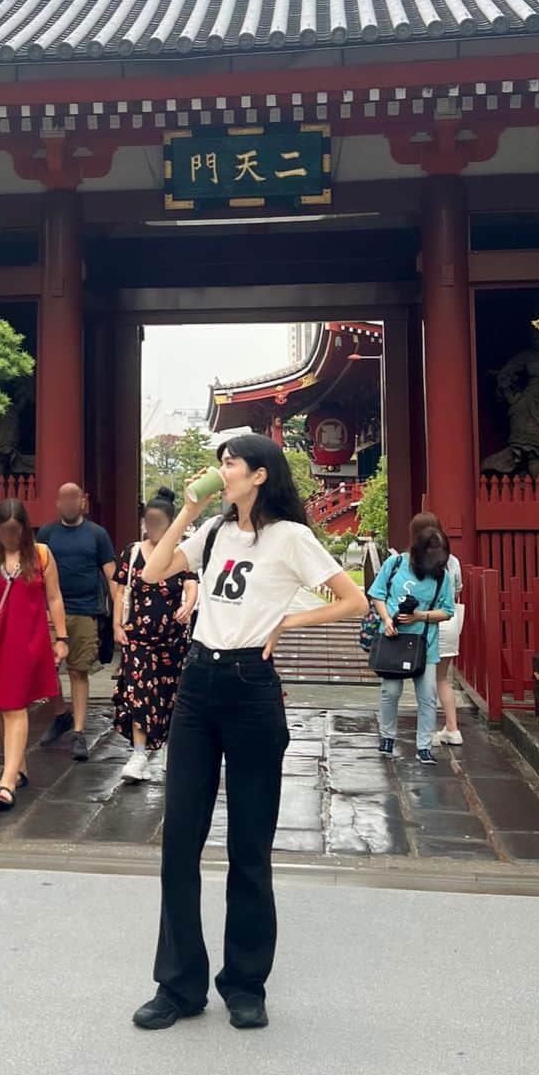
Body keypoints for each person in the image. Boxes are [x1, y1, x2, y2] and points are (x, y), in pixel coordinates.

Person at [131, 435, 368, 1031]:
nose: (222, 471)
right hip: (198, 684)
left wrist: (290, 619)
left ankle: (245, 982)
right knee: (179, 839)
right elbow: (154, 571)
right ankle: (179, 984)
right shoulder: (211, 532)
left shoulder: (291, 537)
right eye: (221, 462)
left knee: (249, 844)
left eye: (230, 463)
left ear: (259, 474)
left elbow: (354, 600)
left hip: (252, 690)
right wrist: (188, 508)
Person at [0, 500, 69, 809]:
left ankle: (7, 783)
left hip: (27, 641)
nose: (10, 537)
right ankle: (18, 767)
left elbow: (54, 597)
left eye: (15, 531)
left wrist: (61, 638)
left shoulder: (41, 555)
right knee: (2, 705)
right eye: (4, 531)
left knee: (14, 706)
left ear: (25, 528)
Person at [112, 487, 198, 783]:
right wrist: (116, 625)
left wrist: (188, 604)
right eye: (149, 522)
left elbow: (190, 583)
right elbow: (121, 590)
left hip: (172, 639)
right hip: (138, 636)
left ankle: (167, 749)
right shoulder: (132, 552)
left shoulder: (182, 552)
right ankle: (138, 754)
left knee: (169, 694)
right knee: (139, 694)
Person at [37, 483, 116, 762]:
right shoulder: (47, 534)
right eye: (65, 498)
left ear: (83, 501)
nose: (70, 503)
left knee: (78, 670)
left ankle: (79, 731)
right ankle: (61, 714)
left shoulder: (97, 534)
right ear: (57, 503)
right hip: (50, 611)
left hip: (85, 611)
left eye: (76, 498)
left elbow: (111, 574)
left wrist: (119, 612)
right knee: (46, 669)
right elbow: (36, 572)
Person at [368, 523, 455, 764]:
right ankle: (387, 736)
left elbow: (447, 611)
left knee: (427, 695)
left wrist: (420, 616)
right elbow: (377, 594)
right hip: (394, 637)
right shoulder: (395, 564)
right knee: (391, 691)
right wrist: (387, 619)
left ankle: (424, 746)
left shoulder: (442, 576)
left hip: (424, 642)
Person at [404, 512, 466, 747]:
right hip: (449, 623)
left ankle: (427, 732)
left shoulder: (412, 560)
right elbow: (458, 588)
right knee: (442, 679)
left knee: (425, 681)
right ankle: (452, 728)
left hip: (425, 624)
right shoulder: (453, 561)